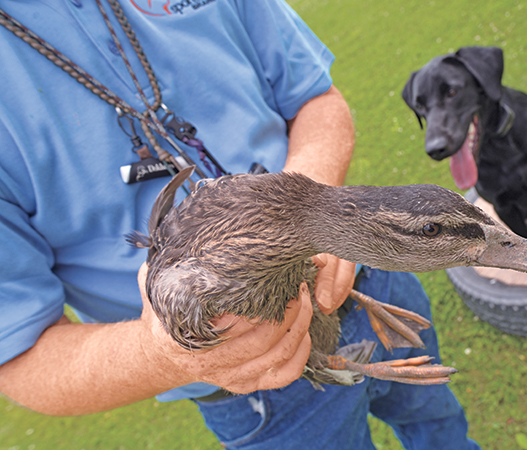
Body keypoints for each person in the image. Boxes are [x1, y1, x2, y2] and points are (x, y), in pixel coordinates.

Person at [0, 1, 480, 449]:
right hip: (255, 378)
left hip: (366, 271)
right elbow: (18, 357)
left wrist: (315, 220)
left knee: (439, 423)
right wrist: (163, 353)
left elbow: (315, 98)